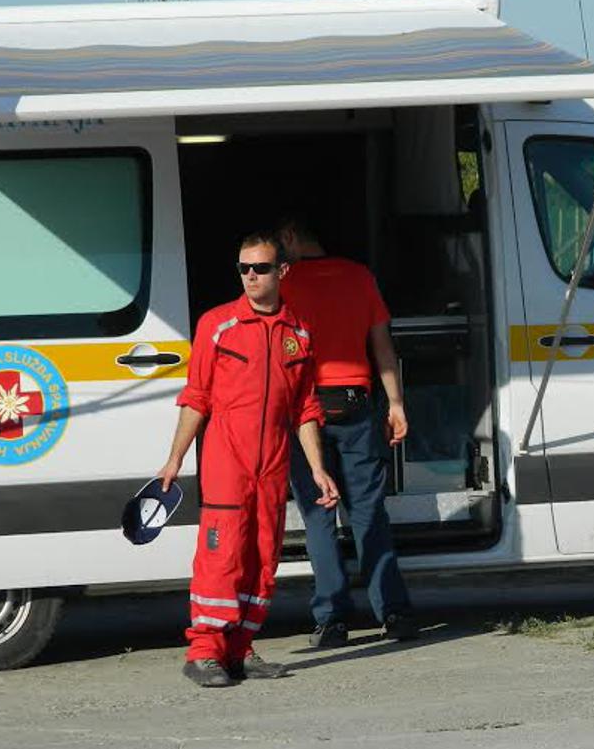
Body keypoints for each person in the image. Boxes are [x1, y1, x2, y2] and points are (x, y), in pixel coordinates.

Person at [158, 232, 340, 688]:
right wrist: (174, 459)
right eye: (244, 268)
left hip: (272, 466)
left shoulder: (299, 333)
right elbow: (196, 397)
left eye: (260, 268)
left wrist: (318, 468)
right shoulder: (217, 325)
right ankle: (204, 653)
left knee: (262, 558)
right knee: (222, 557)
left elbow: (305, 409)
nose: (251, 276)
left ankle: (240, 648)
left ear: (283, 272)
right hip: (227, 464)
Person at [278, 215, 418, 646]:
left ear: (290, 238)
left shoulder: (283, 283)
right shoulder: (360, 277)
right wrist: (395, 403)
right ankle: (394, 613)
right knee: (368, 513)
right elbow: (382, 347)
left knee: (319, 515)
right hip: (356, 406)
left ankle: (333, 621)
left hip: (306, 412)